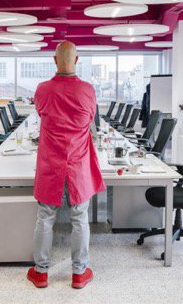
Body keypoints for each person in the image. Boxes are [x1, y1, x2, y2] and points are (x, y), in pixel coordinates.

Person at [27, 41, 106, 290]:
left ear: (54, 60)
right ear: (77, 60)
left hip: (50, 164)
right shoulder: (87, 90)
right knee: (80, 218)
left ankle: (41, 273)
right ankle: (79, 273)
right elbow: (89, 119)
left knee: (45, 217)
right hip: (77, 164)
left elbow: (41, 113)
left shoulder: (42, 90)